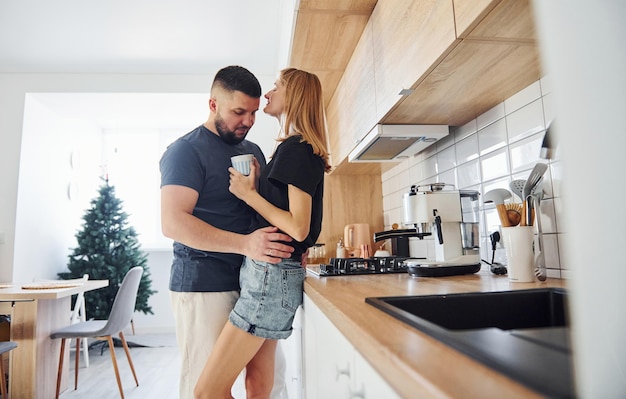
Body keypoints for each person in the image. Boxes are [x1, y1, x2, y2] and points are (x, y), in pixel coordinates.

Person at [194, 68, 331, 399]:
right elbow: (291, 217)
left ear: (294, 96)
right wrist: (258, 188)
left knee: (207, 392)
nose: (268, 94)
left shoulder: (297, 148)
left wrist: (248, 194)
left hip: (270, 277)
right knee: (258, 386)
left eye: (277, 87)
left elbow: (298, 225)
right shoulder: (297, 147)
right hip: (272, 274)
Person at [159, 65, 295, 399]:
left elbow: (259, 212)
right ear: (213, 105)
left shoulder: (252, 152)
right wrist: (246, 245)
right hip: (204, 285)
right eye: (238, 112)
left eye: (252, 112)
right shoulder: (185, 151)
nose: (248, 121)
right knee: (207, 387)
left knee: (269, 385)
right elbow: (172, 222)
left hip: (253, 284)